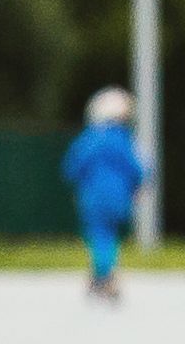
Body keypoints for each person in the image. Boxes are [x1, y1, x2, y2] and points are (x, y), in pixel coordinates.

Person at [61, 87, 144, 301]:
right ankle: (100, 275)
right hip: (120, 197)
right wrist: (136, 188)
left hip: (93, 196)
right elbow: (139, 169)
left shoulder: (90, 139)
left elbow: (72, 166)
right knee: (109, 235)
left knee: (99, 235)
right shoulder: (125, 140)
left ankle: (104, 277)